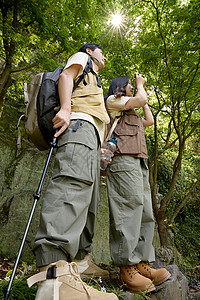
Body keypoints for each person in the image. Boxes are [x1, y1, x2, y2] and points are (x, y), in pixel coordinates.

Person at [28, 43, 118, 300]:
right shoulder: (82, 58)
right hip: (77, 125)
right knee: (71, 185)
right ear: (90, 51)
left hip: (89, 136)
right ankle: (53, 277)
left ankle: (72, 271)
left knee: (87, 199)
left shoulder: (96, 78)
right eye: (102, 51)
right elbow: (67, 76)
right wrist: (65, 109)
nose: (104, 56)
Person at [104, 75, 171, 294]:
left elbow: (149, 120)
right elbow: (138, 99)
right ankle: (126, 267)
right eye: (130, 85)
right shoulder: (114, 102)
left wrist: (144, 98)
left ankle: (142, 263)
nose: (134, 87)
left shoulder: (132, 109)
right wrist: (140, 89)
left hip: (139, 162)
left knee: (146, 212)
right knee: (128, 210)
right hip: (123, 161)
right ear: (120, 87)